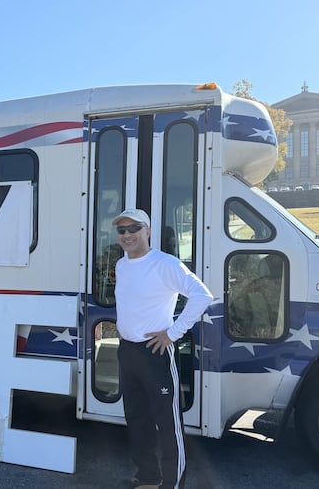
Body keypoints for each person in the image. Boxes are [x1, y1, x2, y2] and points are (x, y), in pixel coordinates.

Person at [112, 208, 213, 489]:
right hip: (127, 351)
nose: (128, 234)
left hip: (154, 353)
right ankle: (147, 478)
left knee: (168, 424)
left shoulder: (165, 263)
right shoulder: (122, 265)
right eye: (122, 230)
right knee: (137, 419)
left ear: (148, 231)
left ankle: (172, 484)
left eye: (134, 228)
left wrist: (173, 333)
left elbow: (202, 295)